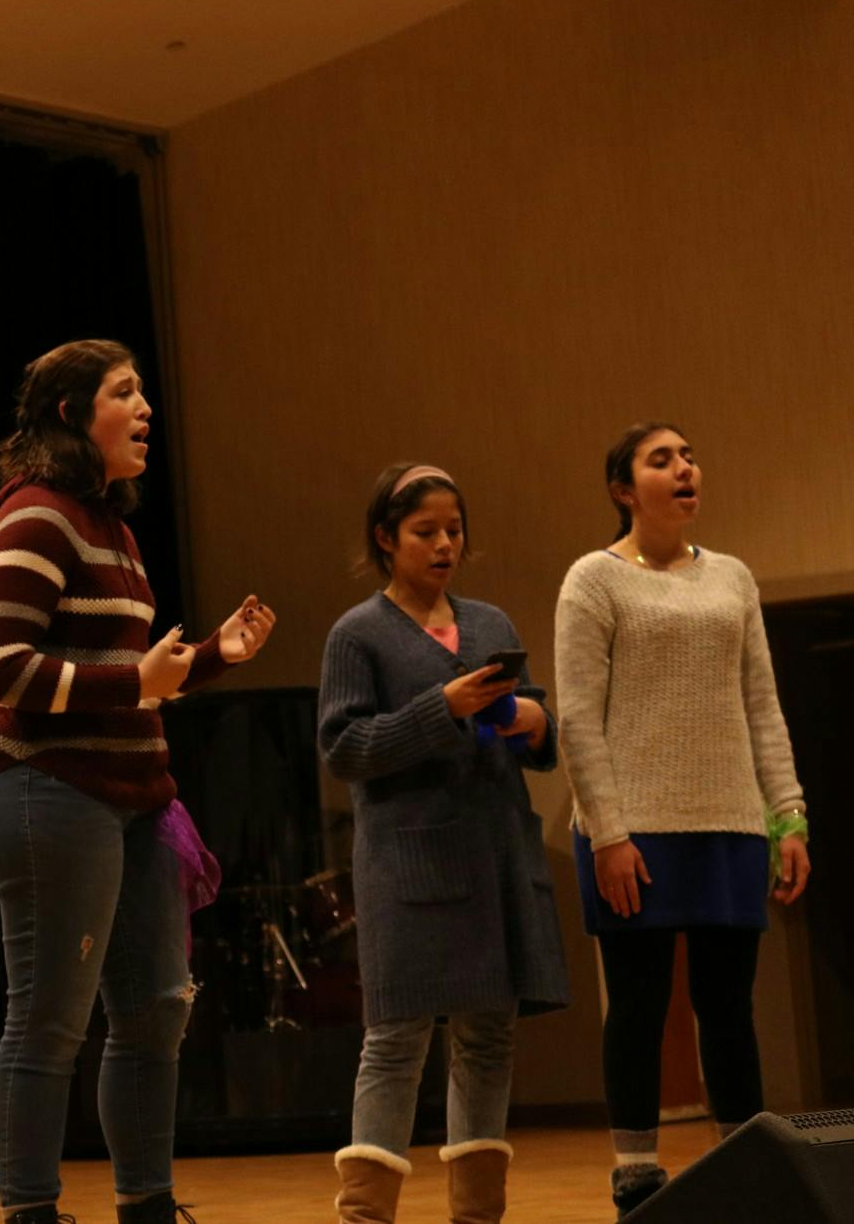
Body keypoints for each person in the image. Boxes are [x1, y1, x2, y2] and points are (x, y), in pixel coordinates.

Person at [0, 338, 273, 1224]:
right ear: (72, 413)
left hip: (131, 796)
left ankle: (147, 1204)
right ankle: (31, 1212)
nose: (145, 410)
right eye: (124, 393)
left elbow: (128, 679)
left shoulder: (112, 526)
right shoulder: (36, 513)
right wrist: (138, 679)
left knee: (154, 1012)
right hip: (44, 788)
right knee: (49, 1019)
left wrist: (211, 656)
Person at [554, 422, 811, 1218]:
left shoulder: (732, 577)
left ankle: (745, 1166)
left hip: (730, 821)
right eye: (661, 459)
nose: (684, 468)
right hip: (632, 828)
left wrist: (787, 815)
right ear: (623, 489)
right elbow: (577, 719)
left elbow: (761, 703)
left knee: (728, 1005)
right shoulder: (593, 579)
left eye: (689, 456)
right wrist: (608, 833)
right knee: (638, 1004)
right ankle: (636, 1173)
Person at [317, 463, 569, 1224]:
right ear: (385, 538)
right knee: (395, 1041)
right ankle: (365, 1216)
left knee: (489, 1037)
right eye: (425, 531)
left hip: (495, 857)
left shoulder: (489, 623)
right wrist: (442, 707)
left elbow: (536, 737)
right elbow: (343, 748)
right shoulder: (358, 633)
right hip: (409, 866)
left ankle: (477, 1215)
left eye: (454, 530)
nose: (444, 544)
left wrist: (535, 723)